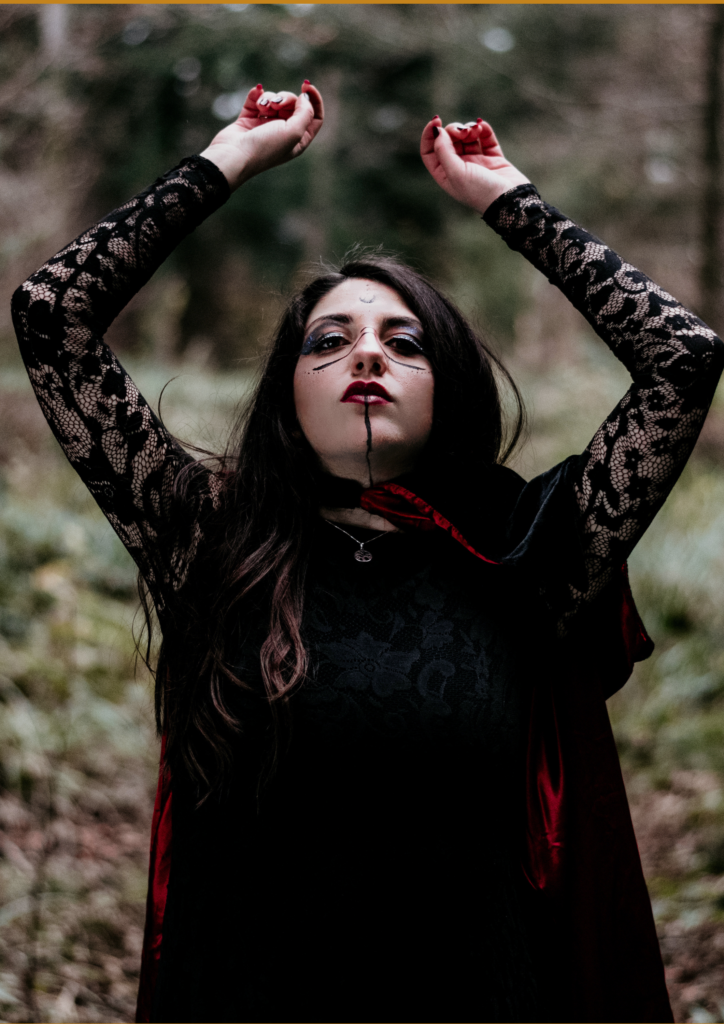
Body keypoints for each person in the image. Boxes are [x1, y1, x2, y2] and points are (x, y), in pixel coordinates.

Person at [12, 80, 723, 1024]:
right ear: (286, 398)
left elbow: (682, 357)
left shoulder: (525, 555)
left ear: (449, 393)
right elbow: (51, 312)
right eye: (330, 339)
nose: (368, 357)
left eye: (406, 342)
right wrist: (230, 158)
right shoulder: (208, 543)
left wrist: (506, 197)